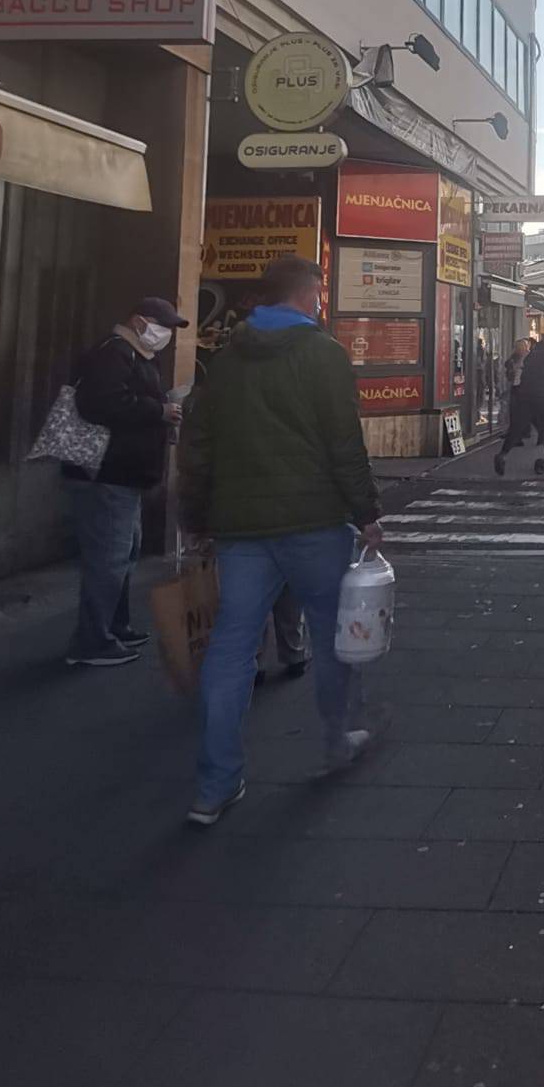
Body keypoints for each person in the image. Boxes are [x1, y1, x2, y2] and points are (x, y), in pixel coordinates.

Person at [177, 255, 383, 826]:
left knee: (231, 647)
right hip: (315, 522)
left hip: (240, 527)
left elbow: (198, 445)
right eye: (319, 292)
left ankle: (214, 786)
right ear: (308, 293)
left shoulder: (225, 361)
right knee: (332, 634)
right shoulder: (324, 354)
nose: (322, 301)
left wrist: (195, 517)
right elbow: (344, 443)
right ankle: (338, 739)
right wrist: (367, 511)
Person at [62, 296, 188, 667]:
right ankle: (92, 641)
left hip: (122, 475)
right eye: (160, 325)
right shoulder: (113, 353)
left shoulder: (134, 355)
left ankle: (114, 626)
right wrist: (159, 410)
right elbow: (101, 404)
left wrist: (163, 410)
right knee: (109, 558)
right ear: (137, 322)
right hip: (104, 473)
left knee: (125, 552)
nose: (163, 334)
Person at [496, 331, 544, 473]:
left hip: (523, 395)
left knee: (517, 427)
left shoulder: (531, 356)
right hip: (539, 395)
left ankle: (503, 454)